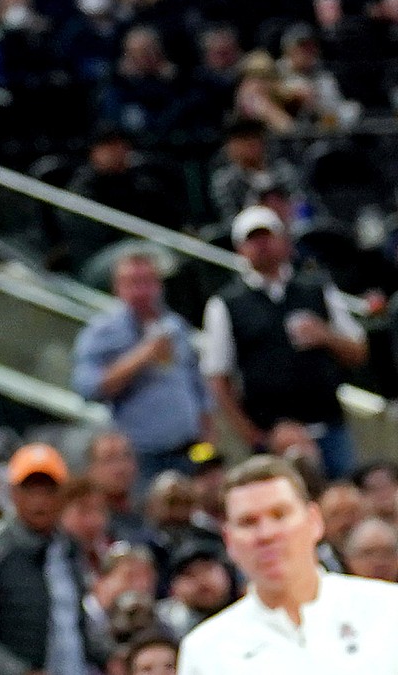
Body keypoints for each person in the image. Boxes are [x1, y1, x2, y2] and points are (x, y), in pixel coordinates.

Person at [179, 456, 398, 672]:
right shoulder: (206, 651)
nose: (266, 534)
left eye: (279, 514)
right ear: (229, 541)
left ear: (314, 520)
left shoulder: (389, 610)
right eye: (248, 522)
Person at [201, 206, 367, 477]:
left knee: (343, 493)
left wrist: (325, 335)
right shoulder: (225, 304)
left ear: (284, 241)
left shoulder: (316, 288)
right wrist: (253, 435)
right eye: (253, 240)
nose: (262, 246)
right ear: (240, 249)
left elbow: (358, 350)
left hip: (329, 423)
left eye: (267, 237)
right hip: (273, 433)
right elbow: (218, 379)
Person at [0, 444, 91, 675]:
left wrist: (111, 655)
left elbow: (76, 622)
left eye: (48, 490)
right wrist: (19, 672)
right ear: (13, 493)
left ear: (62, 495)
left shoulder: (69, 548)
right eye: (31, 490)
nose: (40, 500)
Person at [73, 247, 212, 479]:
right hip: (143, 458)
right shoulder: (102, 333)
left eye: (147, 282)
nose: (141, 291)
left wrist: (208, 437)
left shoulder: (175, 326)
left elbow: (197, 385)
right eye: (132, 283)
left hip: (191, 449)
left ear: (159, 286)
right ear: (118, 288)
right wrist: (142, 356)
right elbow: (87, 388)